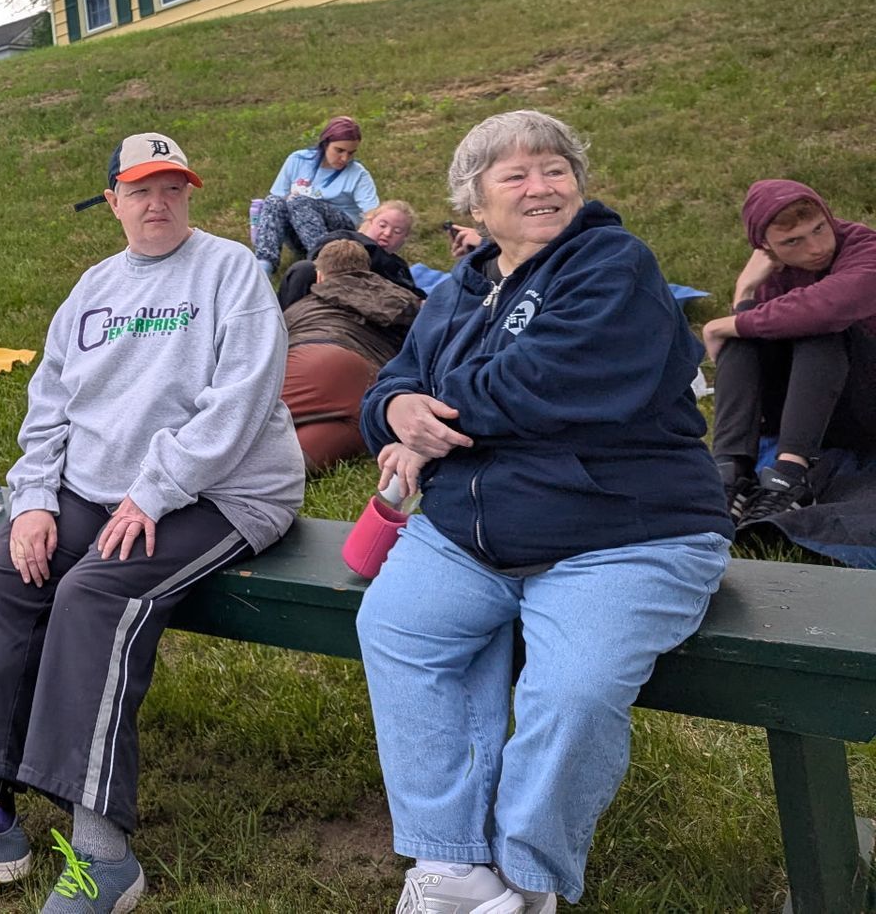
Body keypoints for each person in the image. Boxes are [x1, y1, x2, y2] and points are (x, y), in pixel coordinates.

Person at [0, 133, 303, 913]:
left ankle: (104, 854)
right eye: (140, 190)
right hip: (98, 490)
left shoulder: (230, 271)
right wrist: (35, 498)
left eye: (172, 188)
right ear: (112, 202)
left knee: (93, 594)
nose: (158, 203)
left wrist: (155, 492)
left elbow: (239, 403)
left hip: (221, 490)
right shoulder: (94, 287)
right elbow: (49, 406)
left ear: (189, 195)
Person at [355, 110, 731, 913]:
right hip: (468, 535)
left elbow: (544, 381)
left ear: (579, 184)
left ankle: (529, 881)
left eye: (555, 168)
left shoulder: (613, 264)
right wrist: (394, 413)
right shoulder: (460, 287)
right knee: (399, 629)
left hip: (625, 532)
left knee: (572, 691)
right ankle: (451, 867)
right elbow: (390, 383)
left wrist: (428, 412)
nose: (540, 186)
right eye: (515, 174)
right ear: (475, 203)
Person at [703, 179, 876, 522]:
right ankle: (729, 471)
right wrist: (745, 292)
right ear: (765, 247)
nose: (816, 248)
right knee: (746, 333)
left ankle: (789, 477)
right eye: (793, 241)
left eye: (820, 228)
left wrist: (725, 323)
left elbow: (827, 310)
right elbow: (753, 348)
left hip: (866, 402)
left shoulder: (865, 249)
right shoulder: (771, 272)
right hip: (811, 411)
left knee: (817, 327)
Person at [281, 240, 422, 473]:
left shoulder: (301, 307)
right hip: (368, 377)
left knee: (254, 426)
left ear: (320, 276)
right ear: (367, 269)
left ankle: (243, 473)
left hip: (309, 357)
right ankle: (282, 470)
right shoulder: (404, 299)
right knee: (354, 426)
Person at [250, 115, 380, 273]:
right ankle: (264, 266)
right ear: (325, 144)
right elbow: (278, 199)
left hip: (339, 237)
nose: (344, 158)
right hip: (299, 229)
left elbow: (372, 214)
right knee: (273, 201)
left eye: (351, 153)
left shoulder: (358, 174)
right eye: (339, 150)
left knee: (298, 201)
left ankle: (327, 263)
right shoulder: (298, 160)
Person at [275, 200, 420, 311]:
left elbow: (408, 295)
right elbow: (317, 255)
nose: (387, 233)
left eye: (397, 231)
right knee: (303, 270)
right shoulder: (344, 236)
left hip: (363, 309)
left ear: (404, 238)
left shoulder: (398, 266)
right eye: (382, 225)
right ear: (369, 221)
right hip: (320, 290)